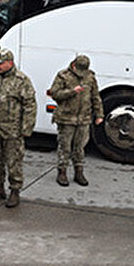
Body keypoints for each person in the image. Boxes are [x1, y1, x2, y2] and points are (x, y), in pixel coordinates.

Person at [0, 48, 37, 208]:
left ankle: (14, 191)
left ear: (9, 63)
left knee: (13, 162)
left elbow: (30, 105)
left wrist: (26, 128)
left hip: (12, 131)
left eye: (0, 63)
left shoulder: (21, 80)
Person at [47, 54, 104, 187]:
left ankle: (79, 172)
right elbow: (55, 94)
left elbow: (95, 96)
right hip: (66, 118)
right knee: (64, 147)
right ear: (73, 65)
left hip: (83, 119)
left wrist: (99, 114)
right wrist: (72, 91)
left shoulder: (90, 77)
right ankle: (62, 172)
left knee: (80, 148)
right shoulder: (63, 76)